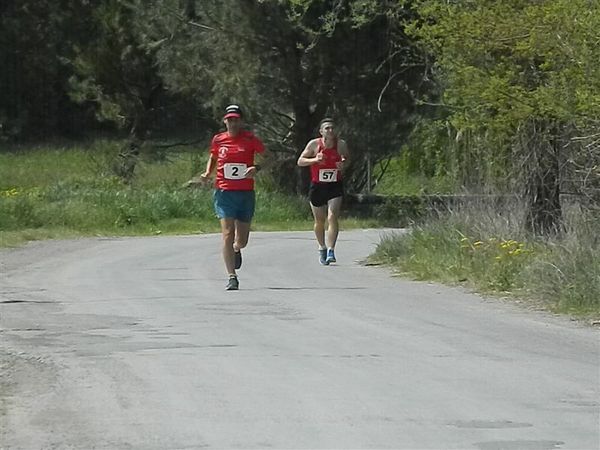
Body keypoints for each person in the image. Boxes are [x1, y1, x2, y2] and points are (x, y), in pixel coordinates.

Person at [187, 104, 265, 290]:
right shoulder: (219, 140)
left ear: (241, 121)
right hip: (224, 191)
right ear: (225, 121)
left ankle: (237, 249)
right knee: (227, 233)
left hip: (245, 192)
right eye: (229, 119)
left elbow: (269, 157)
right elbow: (213, 157)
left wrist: (257, 168)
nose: (233, 123)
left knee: (242, 239)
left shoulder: (250, 139)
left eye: (236, 119)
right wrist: (207, 173)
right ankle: (232, 276)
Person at [297, 117, 350, 265]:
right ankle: (322, 247)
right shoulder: (314, 144)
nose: (330, 131)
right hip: (317, 186)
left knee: (332, 216)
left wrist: (343, 164)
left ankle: (331, 250)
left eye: (332, 128)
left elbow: (348, 159)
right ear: (321, 131)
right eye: (327, 128)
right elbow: (300, 161)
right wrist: (314, 160)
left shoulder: (341, 144)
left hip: (335, 185)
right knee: (319, 221)